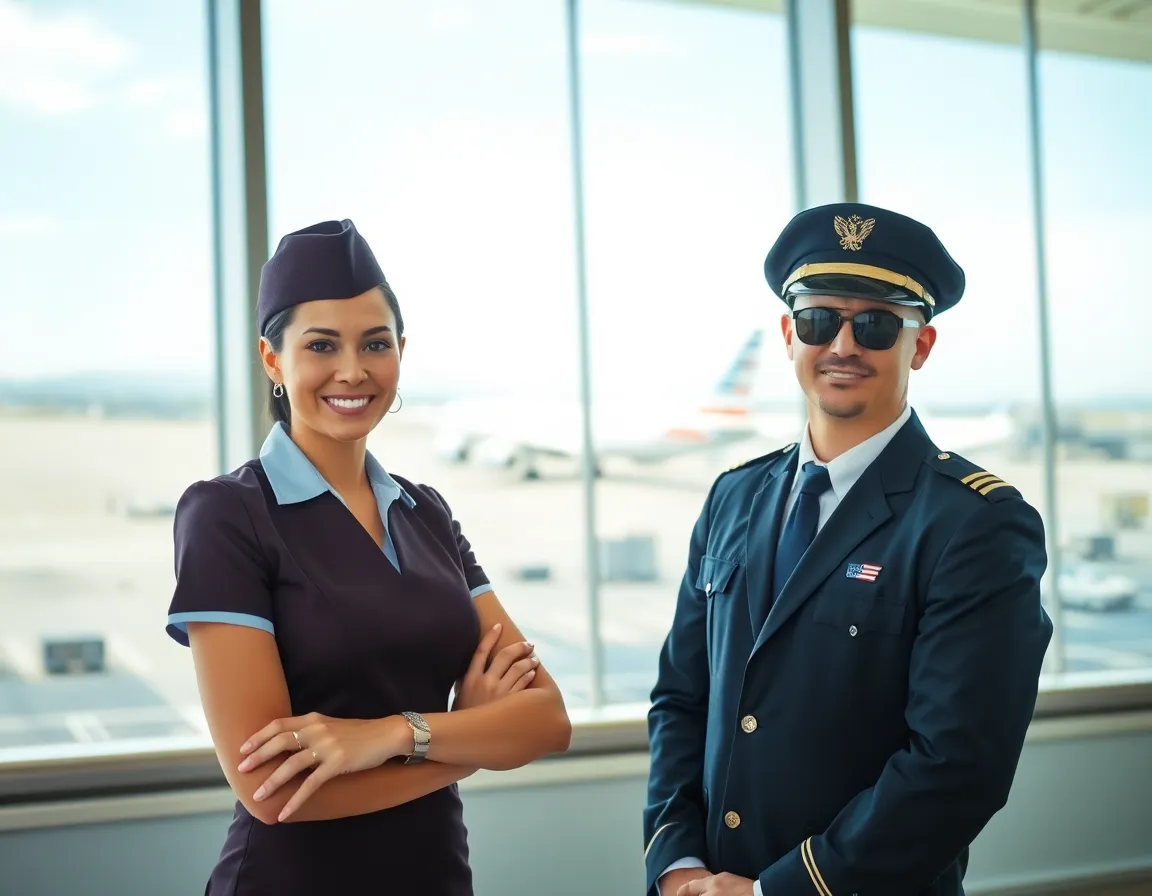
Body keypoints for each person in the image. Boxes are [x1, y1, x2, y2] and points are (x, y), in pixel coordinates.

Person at [643, 202, 1053, 896]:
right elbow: (682, 700)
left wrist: (775, 891)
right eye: (817, 320)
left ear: (920, 346)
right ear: (789, 335)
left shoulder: (974, 524)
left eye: (875, 326)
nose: (842, 345)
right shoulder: (732, 498)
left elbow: (956, 767)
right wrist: (677, 864)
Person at [165, 219, 571, 895]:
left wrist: (393, 736)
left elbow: (548, 721)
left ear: (400, 353)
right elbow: (273, 789)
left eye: (375, 344)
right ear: (272, 359)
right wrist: (470, 739)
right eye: (321, 345)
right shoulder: (227, 515)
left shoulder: (426, 512)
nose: (352, 371)